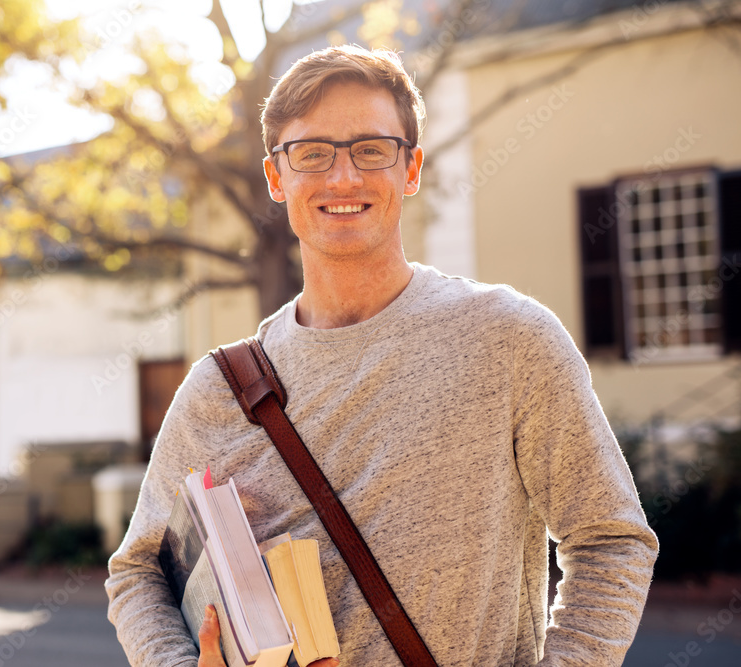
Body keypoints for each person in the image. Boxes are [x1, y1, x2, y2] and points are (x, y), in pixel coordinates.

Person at [106, 44, 658, 667]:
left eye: (371, 149)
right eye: (312, 153)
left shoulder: (510, 339)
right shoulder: (220, 389)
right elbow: (136, 572)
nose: (343, 178)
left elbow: (612, 539)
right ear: (276, 177)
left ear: (411, 168)